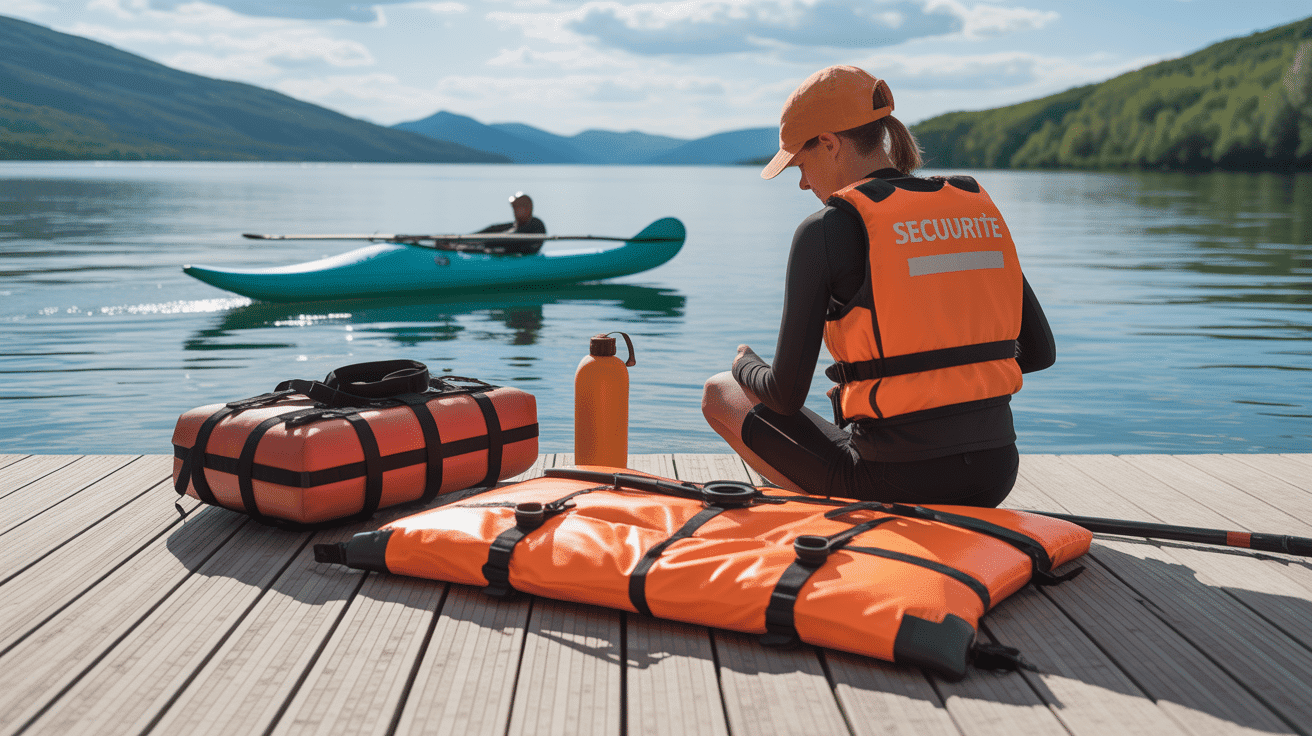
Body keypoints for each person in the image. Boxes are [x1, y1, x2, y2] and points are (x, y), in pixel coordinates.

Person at [701, 65, 1056, 507]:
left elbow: (784, 396)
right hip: (995, 475)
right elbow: (1040, 353)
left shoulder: (826, 229)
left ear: (830, 143)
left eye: (801, 164)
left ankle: (827, 514)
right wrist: (950, 385)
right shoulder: (973, 210)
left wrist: (744, 363)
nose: (803, 182)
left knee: (720, 391)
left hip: (893, 483)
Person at [470, 192, 546, 254]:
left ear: (527, 209)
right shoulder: (514, 225)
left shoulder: (536, 225)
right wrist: (469, 238)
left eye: (518, 206)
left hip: (521, 261)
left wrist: (483, 244)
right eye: (514, 207)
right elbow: (493, 229)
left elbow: (508, 240)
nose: (514, 210)